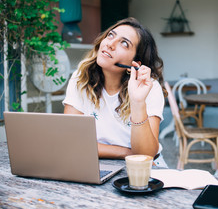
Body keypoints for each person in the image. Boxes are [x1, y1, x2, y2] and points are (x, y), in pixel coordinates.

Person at [63, 17, 167, 167]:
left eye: (124, 43)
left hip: (145, 168)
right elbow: (72, 141)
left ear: (134, 64)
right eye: (111, 35)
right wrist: (126, 152)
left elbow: (145, 155)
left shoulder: (149, 87)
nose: (110, 44)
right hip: (95, 164)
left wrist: (138, 102)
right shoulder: (80, 78)